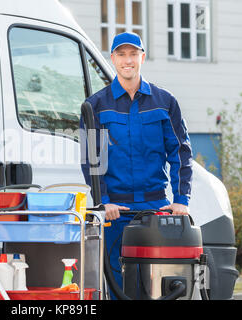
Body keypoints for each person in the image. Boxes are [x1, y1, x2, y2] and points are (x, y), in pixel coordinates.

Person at [80, 32, 193, 298]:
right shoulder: (95, 106)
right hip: (114, 212)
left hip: (156, 209)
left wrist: (181, 199)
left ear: (142, 57)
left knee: (158, 286)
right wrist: (103, 200)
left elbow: (180, 152)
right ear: (113, 59)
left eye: (133, 54)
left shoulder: (165, 103)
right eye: (121, 55)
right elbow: (91, 160)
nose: (127, 61)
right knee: (118, 287)